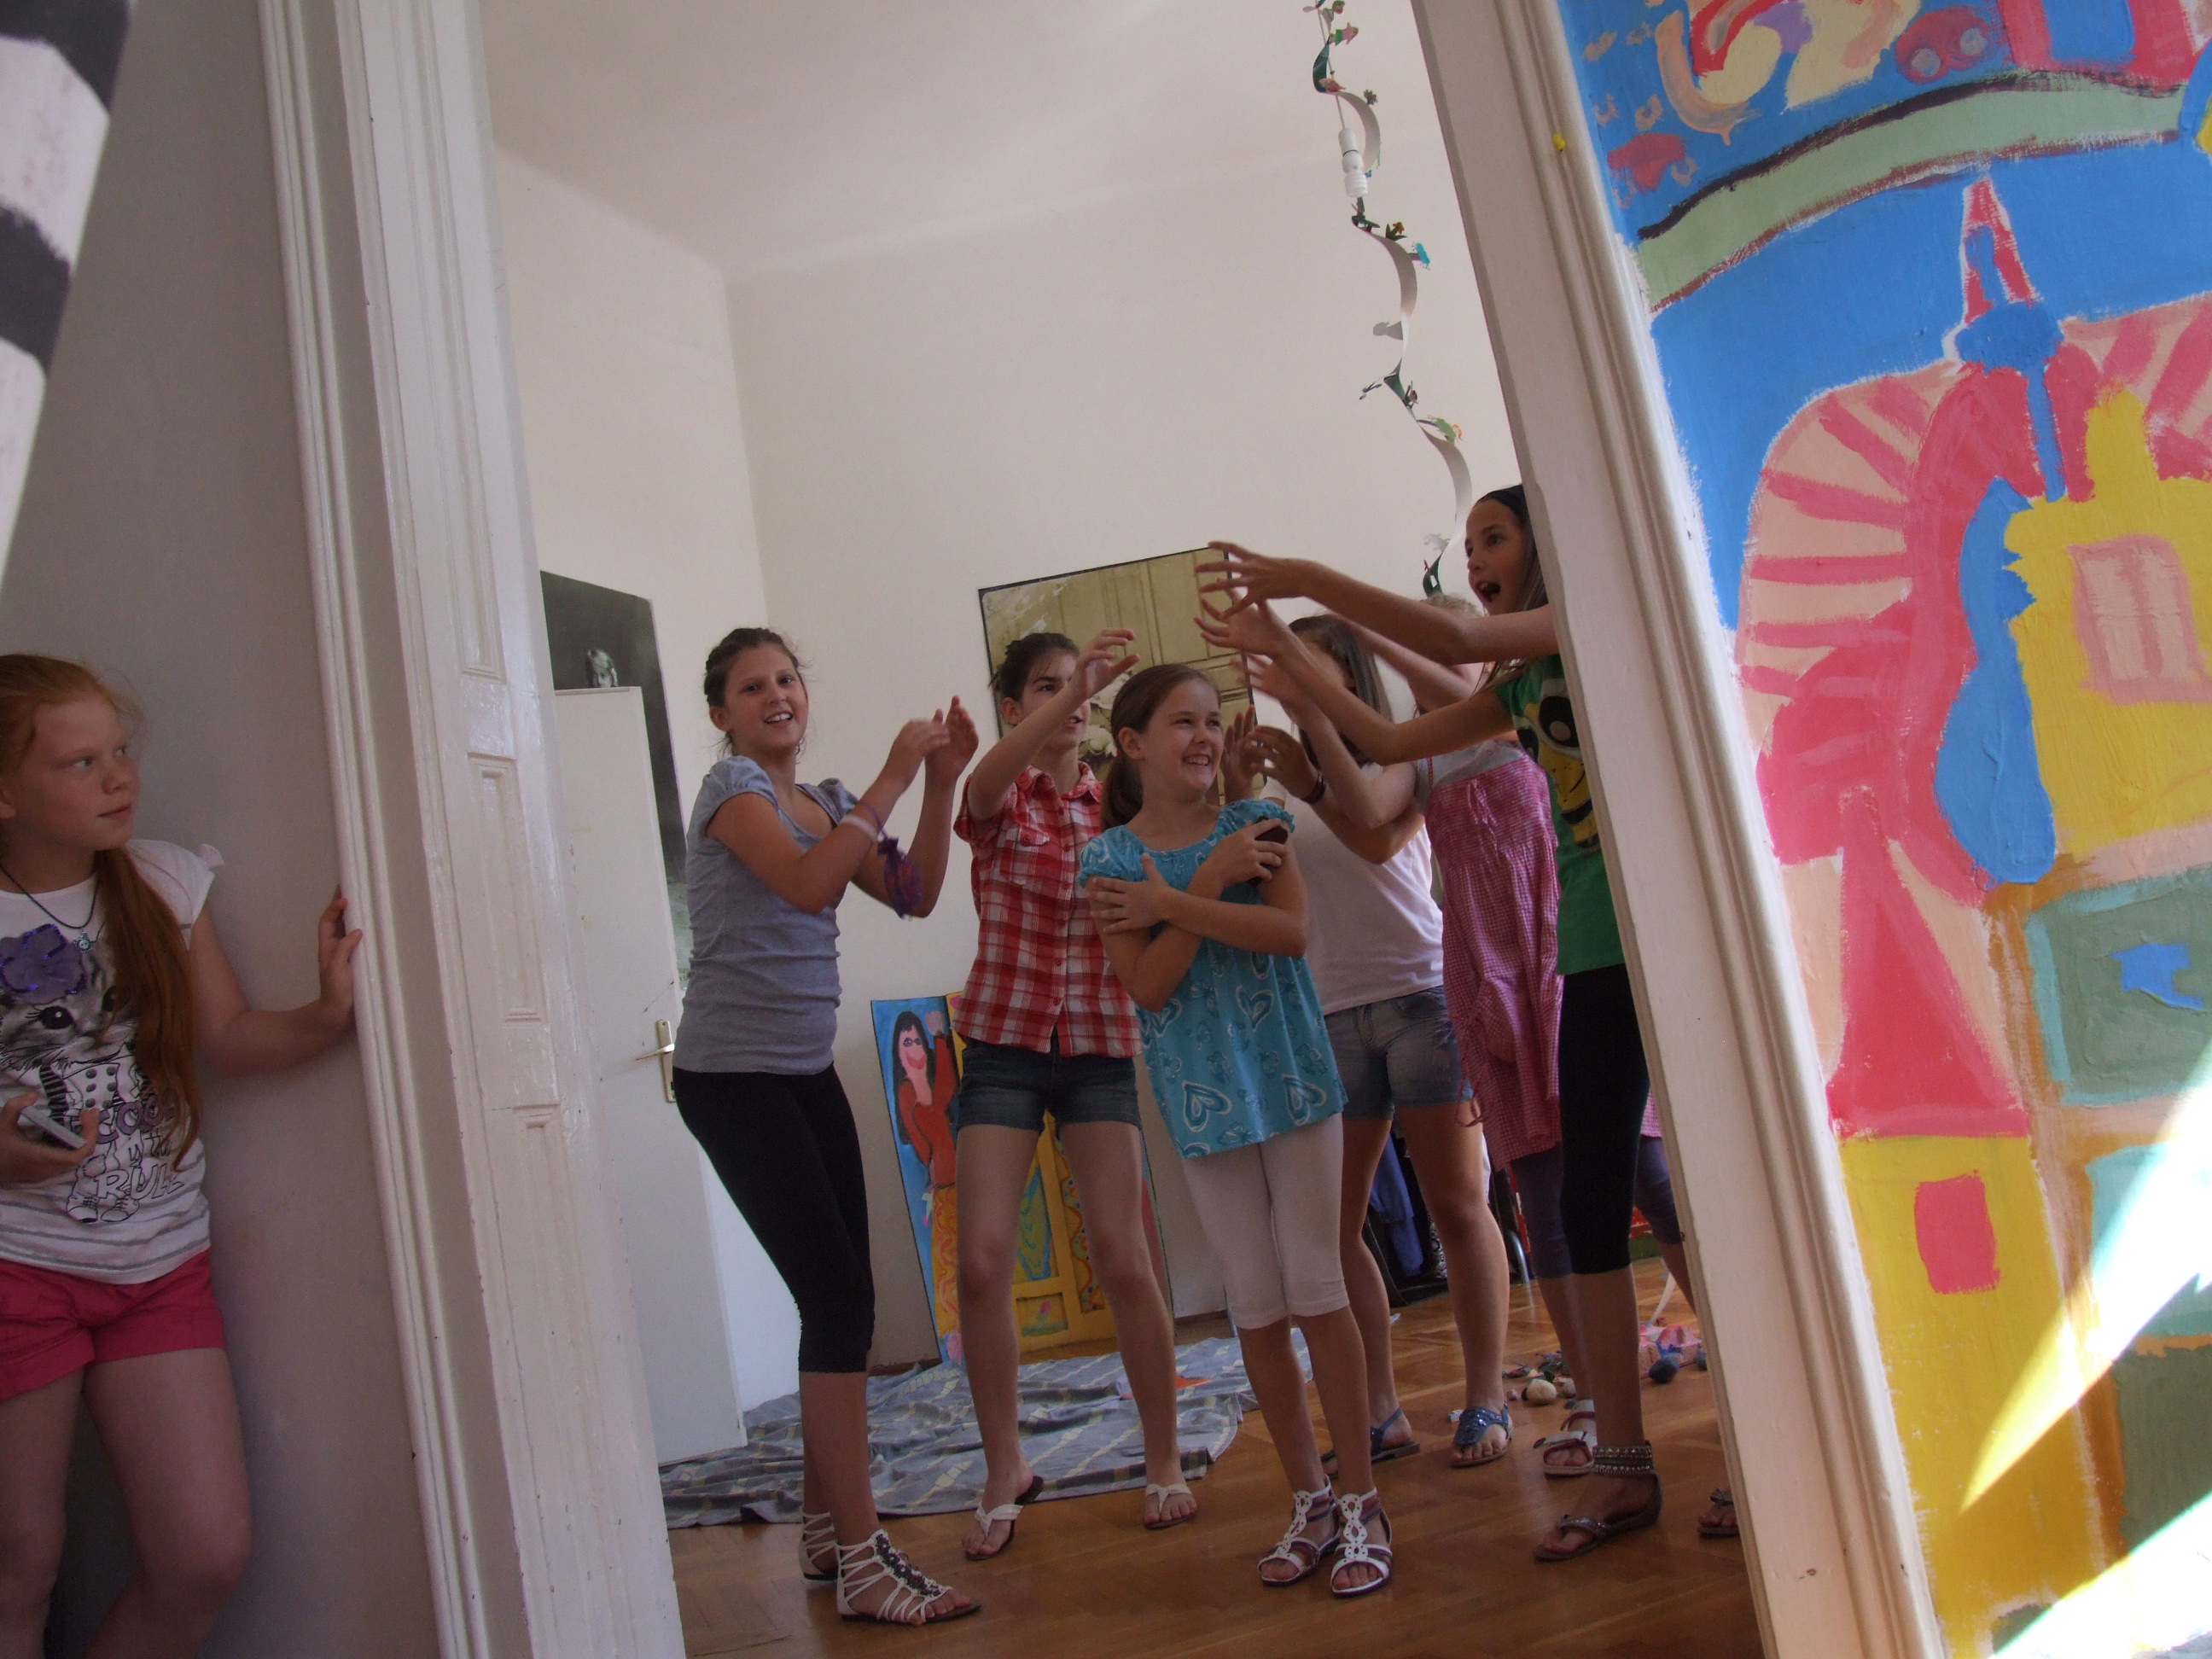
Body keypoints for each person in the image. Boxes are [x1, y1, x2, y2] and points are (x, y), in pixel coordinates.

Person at [1196, 489, 1686, 1562]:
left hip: (1642, 943)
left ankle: (1742, 1434)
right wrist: (1290, 666)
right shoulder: (1517, 688)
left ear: (1546, 543)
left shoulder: (1583, 615)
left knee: (1672, 1198)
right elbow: (1383, 743)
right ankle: (1621, 1460)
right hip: (1580, 957)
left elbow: (1452, 647)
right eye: (1469, 546)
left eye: (1493, 538)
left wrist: (1308, 583)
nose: (1476, 560)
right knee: (1589, 1206)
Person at [0, 655, 362, 1659]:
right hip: (18, 1268)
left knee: (203, 1555)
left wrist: (329, 1013)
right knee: (20, 1561)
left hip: (158, 1264)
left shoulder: (161, 883)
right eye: (80, 762)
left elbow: (231, 1039)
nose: (119, 776)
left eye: (120, 750)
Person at [1331, 594, 1697, 1489]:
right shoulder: (1425, 758)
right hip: (1486, 983)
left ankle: (1736, 1365)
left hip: (1562, 965)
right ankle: (1590, 1401)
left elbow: (1459, 674)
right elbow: (1369, 818)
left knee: (1651, 1177)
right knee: (1544, 1194)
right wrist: (1310, 699)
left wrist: (1374, 633)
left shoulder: (1523, 717)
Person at [669, 626, 980, 1626]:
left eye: (787, 679)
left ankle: (821, 1525)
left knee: (844, 1296)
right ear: (720, 713)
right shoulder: (733, 794)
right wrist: (895, 775)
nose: (776, 696)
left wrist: (939, 784)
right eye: (751, 687)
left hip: (801, 1073)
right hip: (733, 1080)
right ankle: (860, 1559)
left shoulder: (830, 802)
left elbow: (914, 894)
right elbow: (808, 887)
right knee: (840, 1298)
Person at [1079, 664, 1392, 1598]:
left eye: (1211, 721)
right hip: (1201, 1097)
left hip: (1292, 1078)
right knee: (1253, 1302)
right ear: (1133, 745)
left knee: (1317, 1285)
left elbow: (1290, 934)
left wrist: (1176, 901)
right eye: (1183, 722)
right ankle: (1310, 1501)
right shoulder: (1108, 861)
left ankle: (1363, 1499)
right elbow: (1149, 986)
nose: (1205, 737)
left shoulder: (1258, 824)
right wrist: (1207, 889)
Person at [1230, 616, 1516, 1472]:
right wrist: (1242, 792)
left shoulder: (1405, 757)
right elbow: (1254, 894)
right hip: (1329, 1018)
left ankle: (1487, 1397)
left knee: (1458, 1206)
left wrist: (1311, 738)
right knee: (1334, 1226)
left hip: (1424, 1000)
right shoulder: (1283, 785)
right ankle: (1380, 1410)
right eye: (1281, 669)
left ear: (1346, 676)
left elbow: (1377, 836)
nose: (1286, 681)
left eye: (1305, 667)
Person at [949, 628, 1195, 1560]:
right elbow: (980, 784)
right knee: (982, 1263)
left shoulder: (1114, 805)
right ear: (1016, 706)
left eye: (1080, 687)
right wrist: (1073, 686)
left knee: (1125, 1257)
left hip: (1097, 1046)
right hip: (1005, 1044)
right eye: (1049, 687)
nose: (1074, 699)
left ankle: (1163, 1458)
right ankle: (1003, 1467)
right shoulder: (1004, 794)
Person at [888, 1007, 961, 1353]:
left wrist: (940, 1039)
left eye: (917, 1040)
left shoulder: (933, 1080)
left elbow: (947, 1089)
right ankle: (955, 1337)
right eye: (907, 1042)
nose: (914, 1048)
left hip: (963, 1178)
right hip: (944, 1188)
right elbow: (929, 1121)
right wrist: (939, 1039)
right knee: (948, 1264)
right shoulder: (907, 1091)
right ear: (898, 1051)